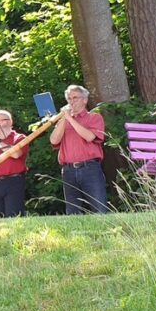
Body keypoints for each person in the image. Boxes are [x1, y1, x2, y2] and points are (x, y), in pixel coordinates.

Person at [48, 85, 108, 214]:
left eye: (75, 98)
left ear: (85, 100)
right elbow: (54, 140)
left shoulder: (94, 117)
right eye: (69, 98)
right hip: (68, 170)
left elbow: (90, 136)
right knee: (72, 212)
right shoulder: (63, 120)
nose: (71, 101)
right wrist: (64, 119)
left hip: (90, 168)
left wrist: (70, 118)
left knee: (99, 209)